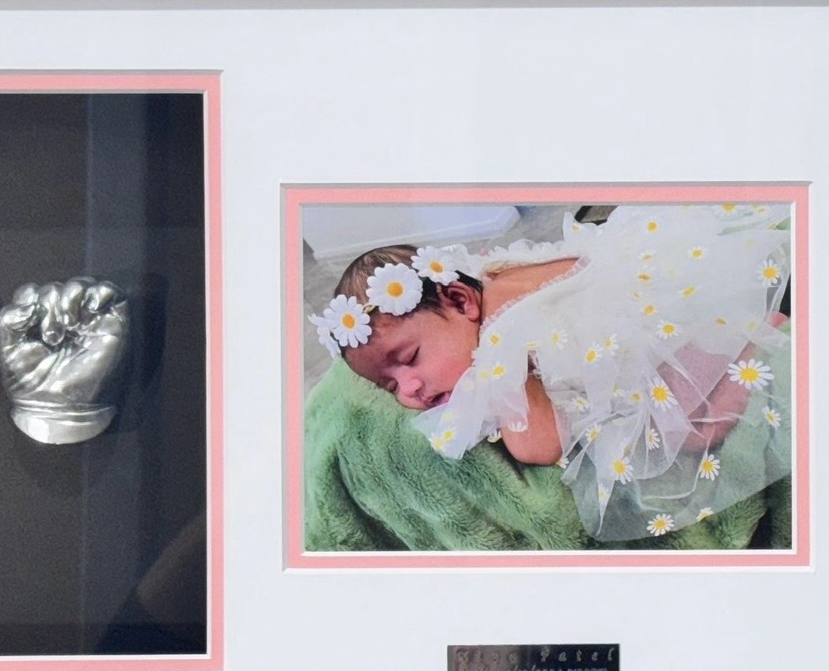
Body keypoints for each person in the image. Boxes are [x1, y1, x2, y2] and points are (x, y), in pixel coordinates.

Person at [312, 204, 793, 541]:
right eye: (388, 385)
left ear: (460, 301)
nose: (410, 389)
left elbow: (537, 445)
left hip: (647, 328)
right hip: (645, 274)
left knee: (685, 430)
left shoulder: (499, 336)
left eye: (411, 358)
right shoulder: (490, 276)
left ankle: (747, 336)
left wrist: (507, 387)